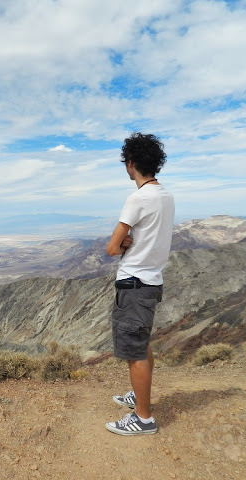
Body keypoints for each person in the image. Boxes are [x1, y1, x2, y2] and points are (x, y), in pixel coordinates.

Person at [104, 132, 175, 436]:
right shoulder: (165, 196)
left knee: (134, 352)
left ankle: (143, 419)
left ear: (130, 163)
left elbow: (111, 248)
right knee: (142, 343)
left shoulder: (138, 198)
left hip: (134, 283)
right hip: (151, 281)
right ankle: (139, 395)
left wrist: (124, 244)